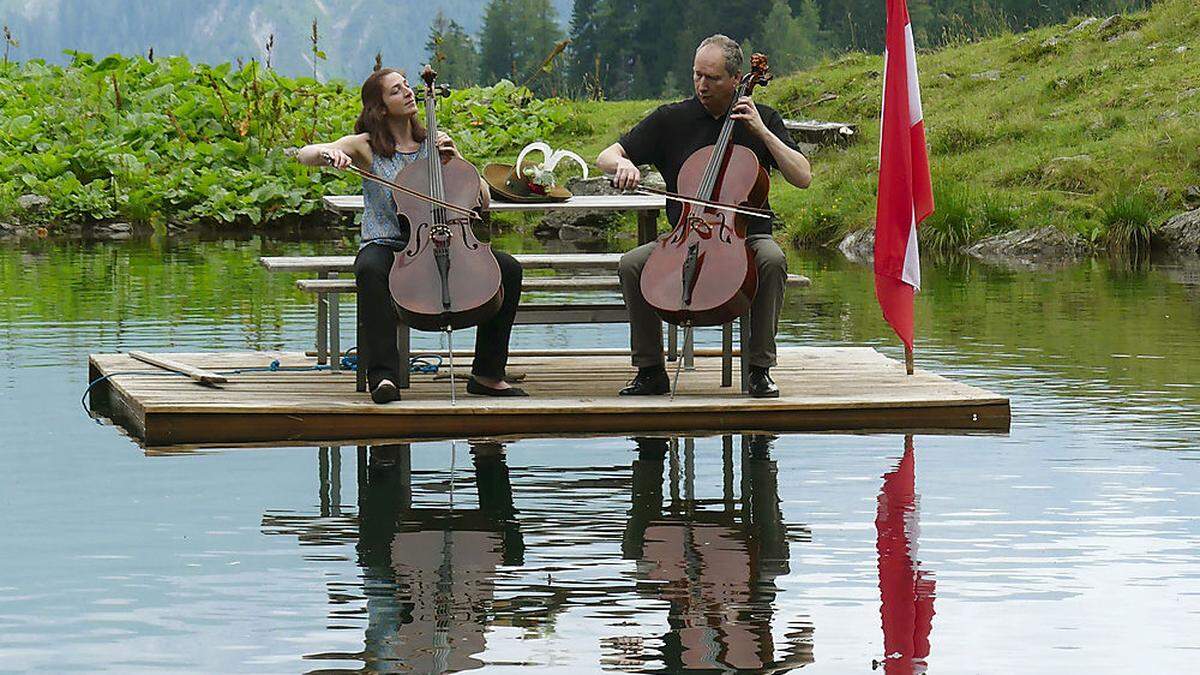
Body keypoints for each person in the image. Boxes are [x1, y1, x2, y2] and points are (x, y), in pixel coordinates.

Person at [596, 35, 812, 398]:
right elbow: (607, 154)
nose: (701, 85)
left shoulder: (763, 119)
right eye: (697, 75)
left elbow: (802, 176)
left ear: (736, 79)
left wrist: (761, 131)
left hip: (746, 236)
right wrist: (623, 165)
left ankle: (760, 369)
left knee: (773, 260)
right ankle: (650, 371)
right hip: (684, 236)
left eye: (711, 78)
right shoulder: (671, 119)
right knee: (632, 264)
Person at [296, 68, 526, 402]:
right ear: (381, 107)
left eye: (407, 86)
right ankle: (384, 376)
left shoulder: (435, 141)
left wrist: (457, 158)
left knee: (508, 269)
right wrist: (329, 154)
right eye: (395, 90)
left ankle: (487, 374)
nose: (408, 92)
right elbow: (306, 154)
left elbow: (483, 201)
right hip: (387, 244)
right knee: (369, 268)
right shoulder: (366, 146)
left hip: (441, 241)